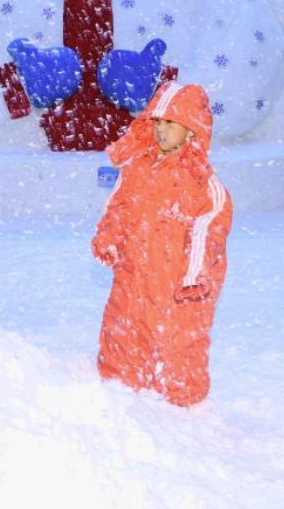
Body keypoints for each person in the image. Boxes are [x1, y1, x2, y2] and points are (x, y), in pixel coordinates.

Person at [91, 82, 233, 407]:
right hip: (134, 271)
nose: (161, 130)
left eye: (170, 123)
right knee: (123, 326)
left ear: (192, 130)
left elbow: (209, 226)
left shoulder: (201, 183)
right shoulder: (137, 169)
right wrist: (109, 237)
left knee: (178, 338)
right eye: (157, 122)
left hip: (178, 283)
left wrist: (195, 272)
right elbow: (119, 206)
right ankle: (120, 387)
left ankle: (183, 401)